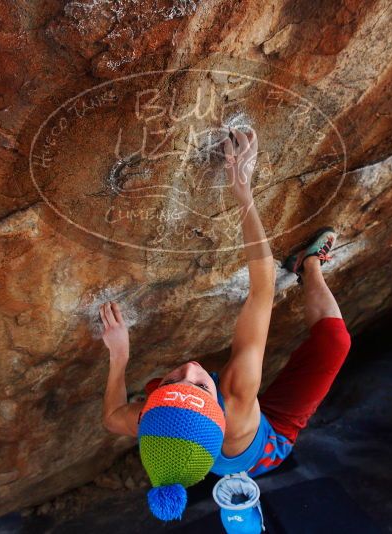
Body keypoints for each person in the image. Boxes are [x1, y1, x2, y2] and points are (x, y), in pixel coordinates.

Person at [100, 126, 351, 522]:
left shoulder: (154, 418)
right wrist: (242, 189)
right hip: (268, 441)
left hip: (202, 435)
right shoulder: (235, 394)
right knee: (336, 344)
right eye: (200, 384)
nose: (190, 368)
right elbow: (262, 288)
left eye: (170, 381)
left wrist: (119, 355)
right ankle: (309, 265)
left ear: (153, 410)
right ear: (215, 404)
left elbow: (113, 417)